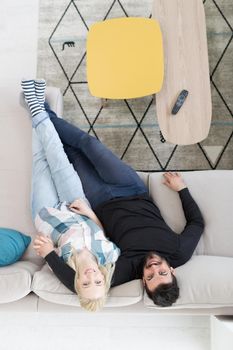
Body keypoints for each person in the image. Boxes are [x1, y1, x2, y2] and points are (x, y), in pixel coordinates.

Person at [35, 87, 204, 307]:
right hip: (131, 189)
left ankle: (40, 115)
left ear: (144, 282)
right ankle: (42, 110)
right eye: (161, 271)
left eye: (151, 276)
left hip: (98, 201)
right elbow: (197, 223)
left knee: (73, 155)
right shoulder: (180, 253)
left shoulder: (124, 271)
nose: (153, 267)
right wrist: (182, 189)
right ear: (171, 270)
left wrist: (49, 254)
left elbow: (75, 285)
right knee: (89, 144)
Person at [21, 79, 120, 312]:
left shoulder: (66, 265)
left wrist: (45, 246)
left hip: (48, 213)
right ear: (104, 280)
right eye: (97, 282)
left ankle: (35, 104)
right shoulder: (109, 256)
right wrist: (89, 212)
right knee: (57, 156)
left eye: (85, 284)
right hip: (77, 204)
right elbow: (103, 232)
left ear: (77, 283)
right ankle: (34, 104)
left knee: (40, 161)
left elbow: (45, 249)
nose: (90, 276)